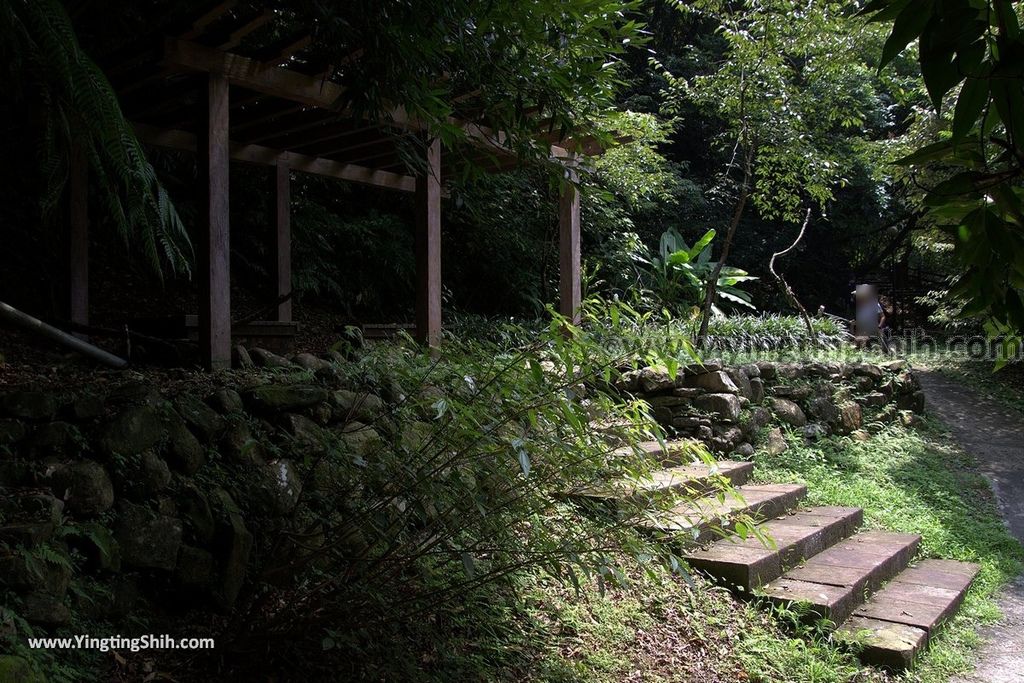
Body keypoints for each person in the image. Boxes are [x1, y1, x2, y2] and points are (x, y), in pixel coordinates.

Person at [852, 284, 890, 353]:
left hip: (874, 328)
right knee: (858, 342)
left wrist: (879, 326)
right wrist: (854, 323)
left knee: (883, 343)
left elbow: (883, 317)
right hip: (863, 329)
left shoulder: (874, 304)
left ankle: (886, 353)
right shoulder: (860, 306)